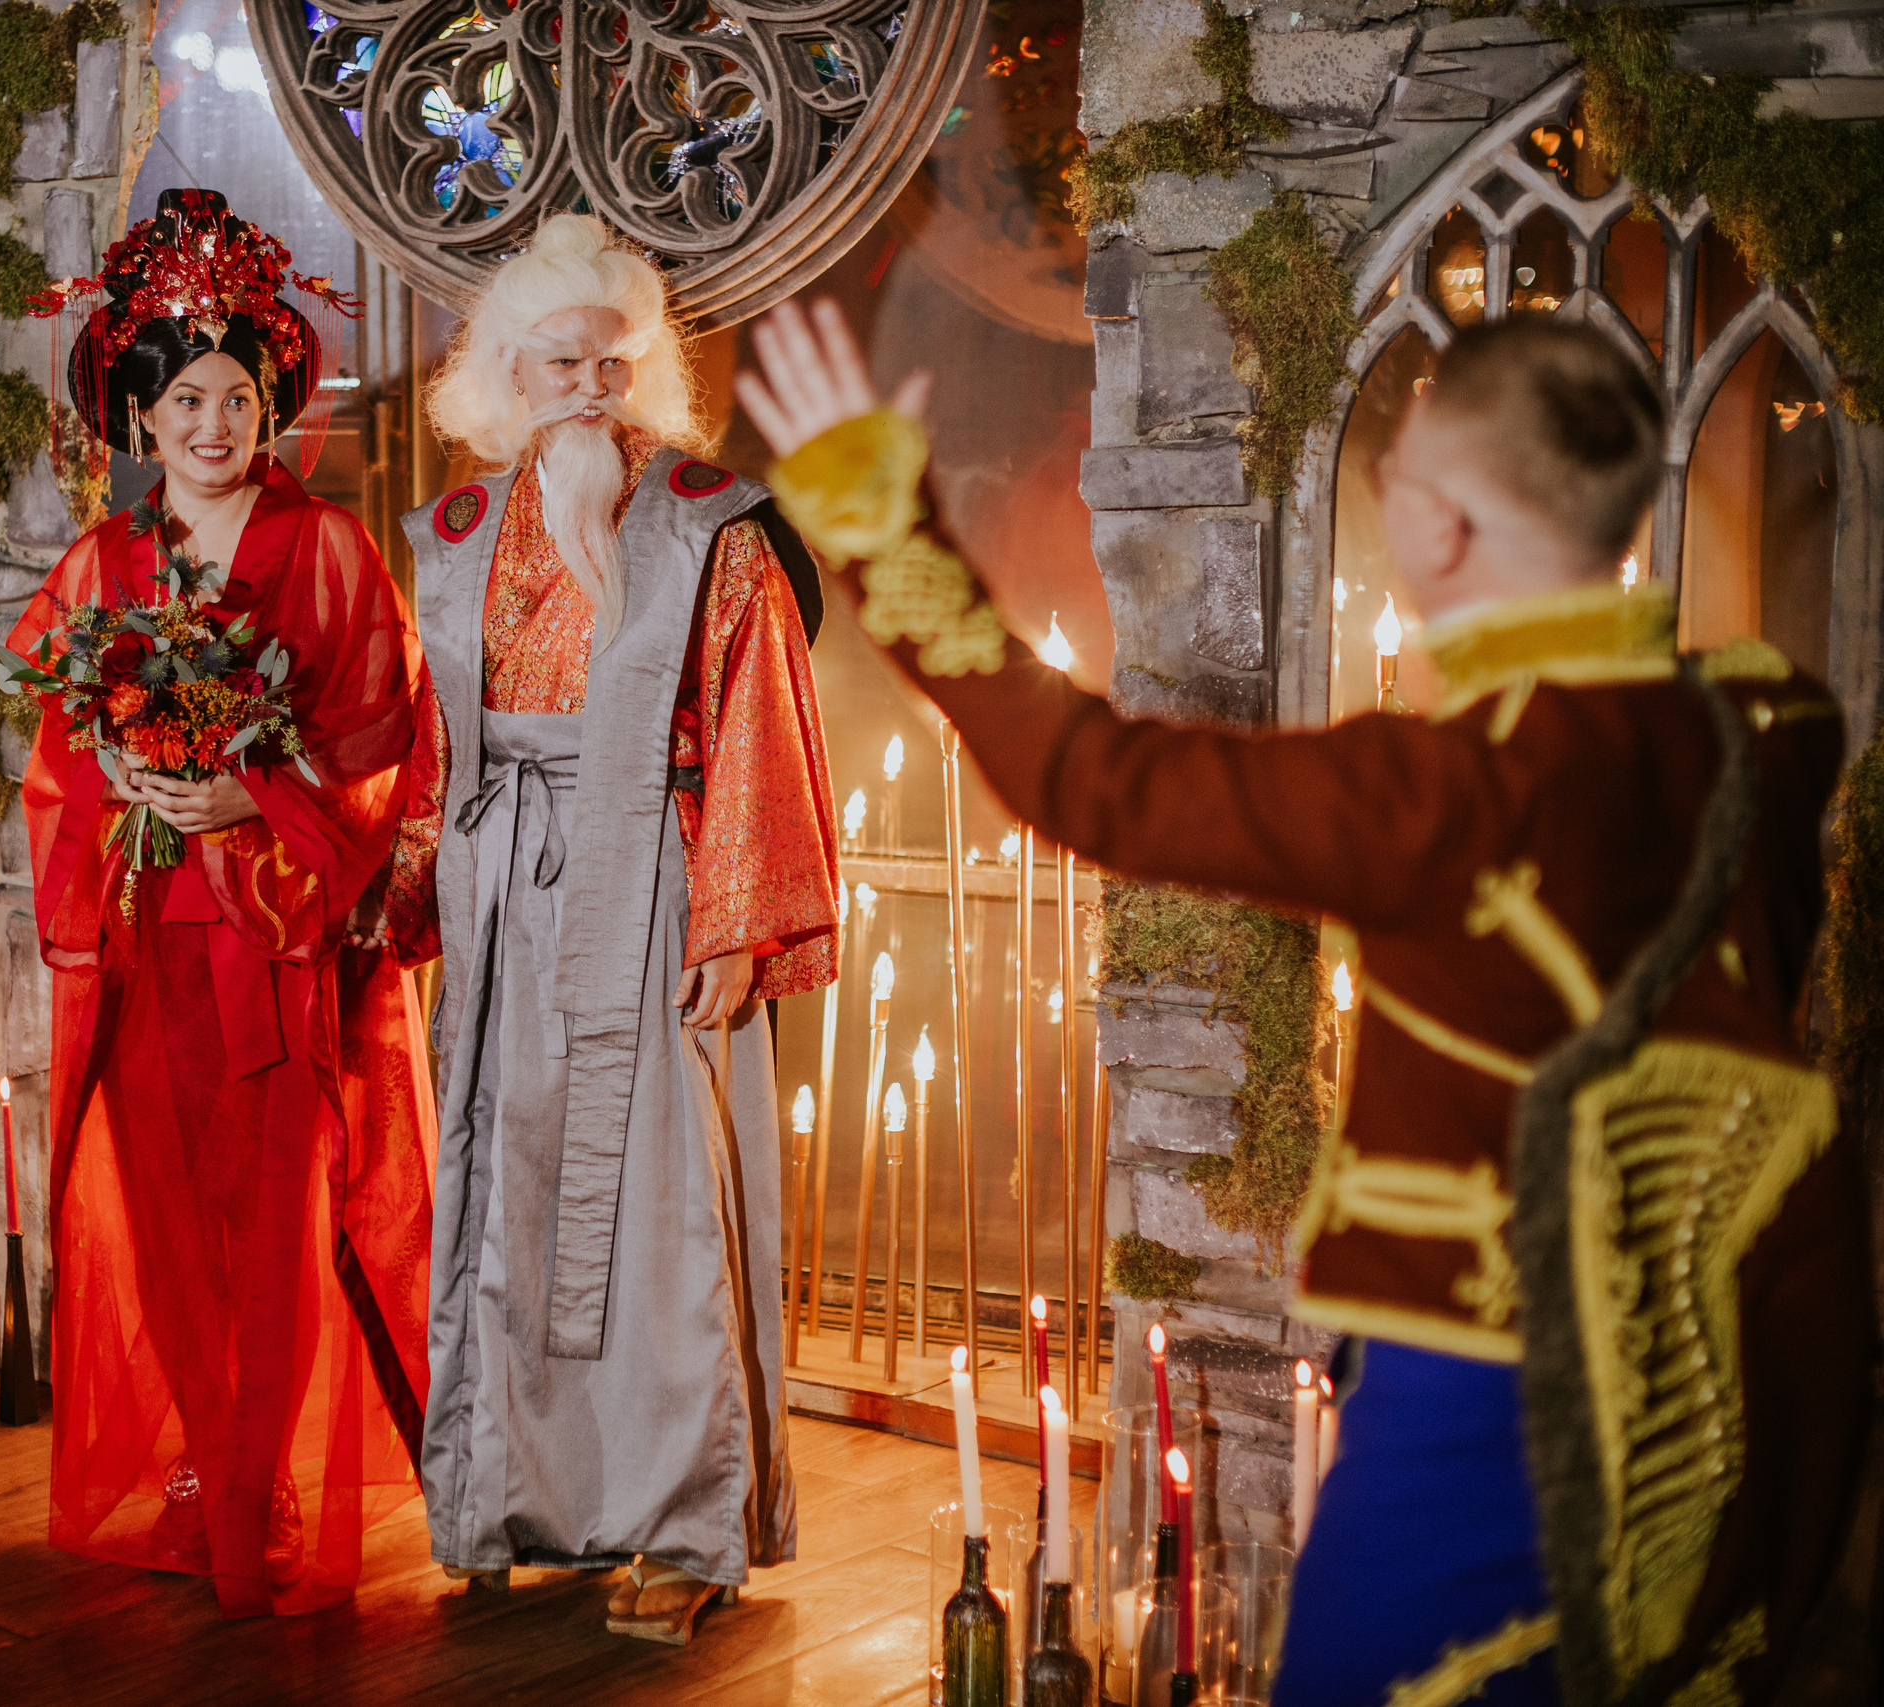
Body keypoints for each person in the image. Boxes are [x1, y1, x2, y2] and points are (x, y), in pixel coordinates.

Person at [737, 303, 1873, 1705]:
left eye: (1397, 487)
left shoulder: (1458, 789)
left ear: (1445, 527)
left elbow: (1089, 778)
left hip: (1488, 1388)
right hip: (1697, 1357)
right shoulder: (1749, 729)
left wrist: (877, 521)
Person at [380, 214, 840, 1645]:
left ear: (642, 374)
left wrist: (733, 926)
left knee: (652, 1211)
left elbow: (763, 718)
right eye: (557, 360)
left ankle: (678, 1526)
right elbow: (431, 736)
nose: (586, 384)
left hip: (650, 892)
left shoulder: (711, 523)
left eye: (610, 361)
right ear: (506, 376)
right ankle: (505, 1499)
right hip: (503, 898)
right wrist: (404, 883)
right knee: (505, 1191)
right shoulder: (457, 537)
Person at [12, 189, 436, 1618]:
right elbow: (54, 770)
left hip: (275, 940)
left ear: (272, 409)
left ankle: (261, 1498)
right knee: (170, 1221)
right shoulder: (103, 571)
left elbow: (385, 738)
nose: (211, 422)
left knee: (274, 1228)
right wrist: (129, 781)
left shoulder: (326, 552)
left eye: (236, 395)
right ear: (139, 421)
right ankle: (208, 1474)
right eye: (184, 396)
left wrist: (251, 796)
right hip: (149, 946)